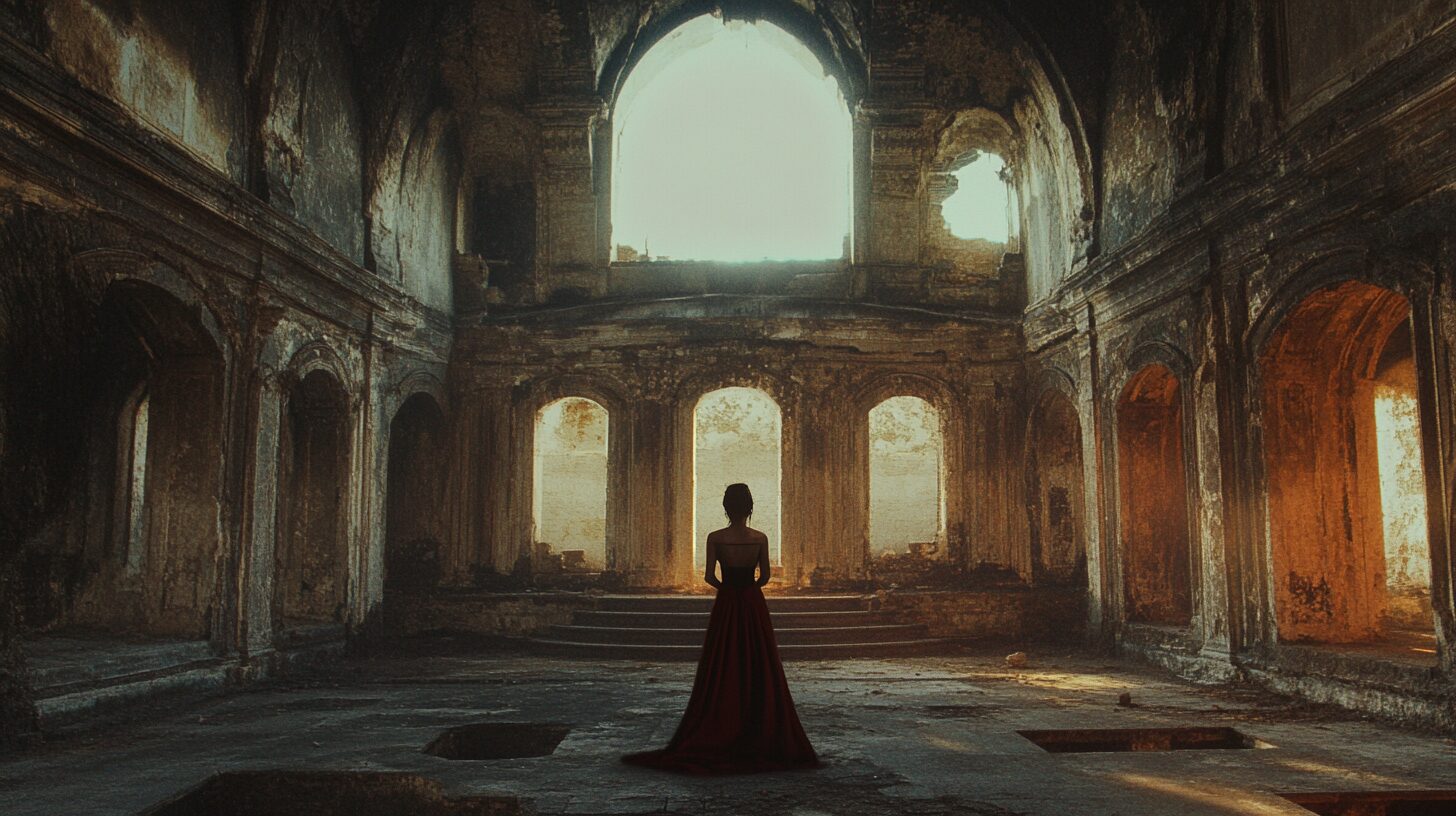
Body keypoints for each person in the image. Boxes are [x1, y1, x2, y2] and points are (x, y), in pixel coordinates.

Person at [622, 483, 820, 774]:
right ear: (749, 507)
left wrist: (728, 588)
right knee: (759, 660)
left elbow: (708, 577)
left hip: (727, 601)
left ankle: (722, 719)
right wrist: (748, 589)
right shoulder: (760, 538)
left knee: (723, 660)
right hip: (753, 603)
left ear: (726, 507)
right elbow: (764, 576)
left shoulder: (715, 537)